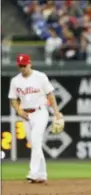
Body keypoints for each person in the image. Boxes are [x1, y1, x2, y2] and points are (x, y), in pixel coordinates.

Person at [8, 54, 63, 183]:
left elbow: (50, 95)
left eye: (24, 65)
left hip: (40, 112)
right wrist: (18, 110)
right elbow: (13, 99)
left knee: (36, 140)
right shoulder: (15, 81)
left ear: (30, 63)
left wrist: (56, 112)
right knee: (34, 144)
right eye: (20, 66)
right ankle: (42, 174)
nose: (22, 68)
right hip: (26, 115)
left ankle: (33, 172)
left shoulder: (40, 77)